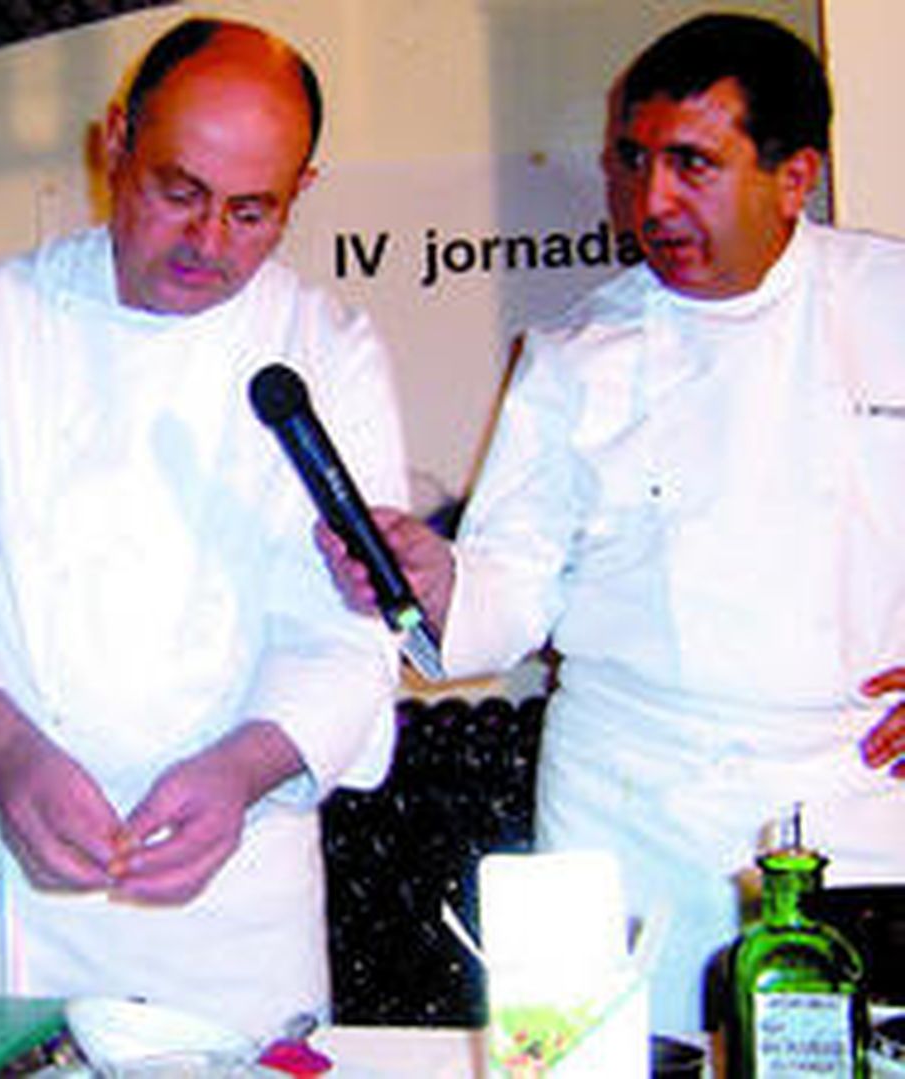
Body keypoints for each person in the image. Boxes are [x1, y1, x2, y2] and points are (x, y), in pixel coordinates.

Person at [318, 13, 905, 1033]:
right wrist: (435, 571)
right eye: (632, 162)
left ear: (796, 174)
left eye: (692, 164)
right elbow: (505, 595)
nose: (650, 202)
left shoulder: (892, 306)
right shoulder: (575, 354)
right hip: (628, 810)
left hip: (855, 801)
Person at [0, 18, 407, 1038]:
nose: (207, 243)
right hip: (11, 888)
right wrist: (9, 753)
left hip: (236, 898)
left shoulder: (327, 351)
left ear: (301, 193)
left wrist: (241, 769)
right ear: (114, 144)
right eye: (178, 191)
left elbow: (350, 627)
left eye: (253, 212)